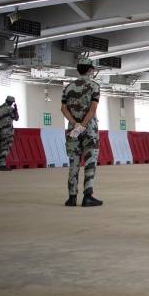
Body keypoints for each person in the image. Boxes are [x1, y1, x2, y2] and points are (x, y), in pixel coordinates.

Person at [61, 58, 103, 207]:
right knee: (90, 162)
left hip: (73, 130)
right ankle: (87, 196)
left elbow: (63, 109)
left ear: (78, 69)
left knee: (74, 162)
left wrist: (75, 125)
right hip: (89, 130)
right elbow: (92, 109)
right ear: (90, 70)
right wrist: (83, 126)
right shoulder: (94, 86)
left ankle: (72, 197)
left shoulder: (68, 87)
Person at [0, 95, 19, 170]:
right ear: (11, 102)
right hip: (7, 132)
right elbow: (16, 118)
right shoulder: (10, 109)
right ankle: (2, 165)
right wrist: (16, 110)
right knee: (5, 147)